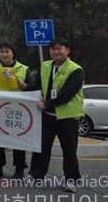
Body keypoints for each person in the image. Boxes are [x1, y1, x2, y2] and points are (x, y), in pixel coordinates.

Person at [28, 38, 85, 193]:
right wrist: (32, 93)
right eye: (53, 49)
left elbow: (67, 94)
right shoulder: (45, 66)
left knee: (69, 150)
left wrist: (46, 104)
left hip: (67, 116)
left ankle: (71, 180)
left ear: (67, 50)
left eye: (60, 48)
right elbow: (38, 85)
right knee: (41, 147)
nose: (56, 52)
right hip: (47, 116)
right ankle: (36, 174)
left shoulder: (76, 70)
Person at [0, 41, 34, 178]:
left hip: (18, 109)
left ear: (13, 53)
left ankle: (19, 169)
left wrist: (23, 85)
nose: (5, 54)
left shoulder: (23, 68)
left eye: (7, 51)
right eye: (2, 52)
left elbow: (31, 87)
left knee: (18, 140)